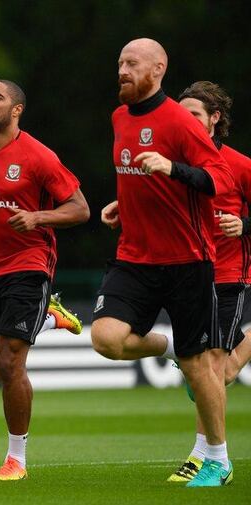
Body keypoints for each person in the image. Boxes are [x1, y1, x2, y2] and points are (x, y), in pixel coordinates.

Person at [91, 39, 235, 487]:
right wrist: (122, 204)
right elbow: (137, 175)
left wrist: (173, 168)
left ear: (158, 68)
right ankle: (168, 347)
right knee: (105, 338)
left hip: (187, 260)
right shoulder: (118, 118)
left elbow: (218, 178)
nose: (122, 70)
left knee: (200, 365)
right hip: (134, 256)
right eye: (119, 63)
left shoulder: (178, 120)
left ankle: (219, 459)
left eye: (132, 63)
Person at [0, 79, 89, 481]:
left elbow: (80, 209)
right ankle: (49, 317)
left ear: (17, 110)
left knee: (10, 364)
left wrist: (39, 217)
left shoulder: (39, 156)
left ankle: (16, 460)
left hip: (30, 264)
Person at [166, 81, 251, 482]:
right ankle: (205, 456)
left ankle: (204, 458)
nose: (187, 122)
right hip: (188, 274)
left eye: (195, 115)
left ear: (215, 119)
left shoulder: (239, 165)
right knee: (203, 371)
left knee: (221, 372)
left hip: (230, 274)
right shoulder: (176, 166)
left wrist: (244, 224)